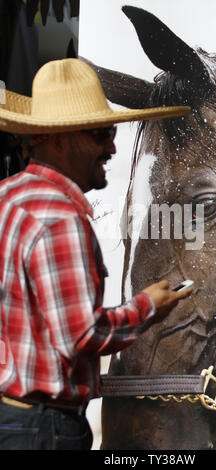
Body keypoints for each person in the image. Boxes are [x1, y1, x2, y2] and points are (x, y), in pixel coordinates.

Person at [0, 58, 191, 450]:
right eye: (101, 133)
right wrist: (148, 307)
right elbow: (79, 335)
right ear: (58, 140)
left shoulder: (9, 196)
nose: (112, 147)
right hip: (45, 428)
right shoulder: (59, 217)